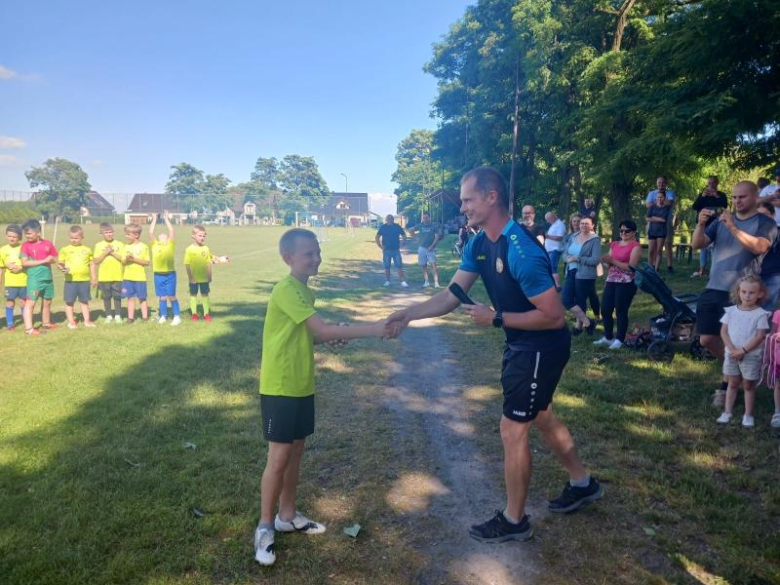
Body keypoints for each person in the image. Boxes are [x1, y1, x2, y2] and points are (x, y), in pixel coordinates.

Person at [387, 167, 603, 543]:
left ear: (492, 197)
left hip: (541, 346)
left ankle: (514, 520)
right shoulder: (478, 243)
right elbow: (451, 295)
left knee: (513, 427)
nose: (463, 206)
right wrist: (407, 315)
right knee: (542, 416)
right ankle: (582, 483)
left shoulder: (520, 249)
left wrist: (497, 318)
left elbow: (554, 317)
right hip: (522, 343)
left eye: (469, 199)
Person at [254, 228, 396, 566]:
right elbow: (321, 329)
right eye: (309, 254)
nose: (316, 258)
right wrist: (374, 328)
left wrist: (327, 339)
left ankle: (287, 516)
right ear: (288, 258)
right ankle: (264, 526)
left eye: (318, 252)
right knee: (279, 458)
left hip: (301, 384)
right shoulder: (286, 289)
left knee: (296, 451)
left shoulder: (303, 290)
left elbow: (308, 336)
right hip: (280, 386)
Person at [692, 181, 776, 407]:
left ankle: (727, 382)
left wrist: (732, 227)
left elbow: (759, 247)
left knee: (739, 338)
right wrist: (700, 225)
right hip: (714, 286)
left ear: (755, 197)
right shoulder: (720, 221)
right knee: (707, 338)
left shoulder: (765, 222)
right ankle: (734, 373)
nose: (737, 201)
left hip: (743, 292)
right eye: (735, 197)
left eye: (743, 197)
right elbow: (697, 245)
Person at [716, 275, 770, 428]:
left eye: (751, 293)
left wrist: (743, 350)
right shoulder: (731, 311)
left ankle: (748, 414)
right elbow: (724, 332)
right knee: (732, 383)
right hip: (731, 354)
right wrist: (733, 350)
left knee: (748, 384)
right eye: (744, 291)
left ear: (760, 294)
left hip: (751, 355)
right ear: (738, 292)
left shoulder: (761, 314)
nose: (747, 296)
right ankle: (727, 411)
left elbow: (760, 336)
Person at [594, 220, 642, 349]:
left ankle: (620, 339)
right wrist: (605, 261)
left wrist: (612, 261)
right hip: (611, 280)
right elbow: (609, 263)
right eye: (621, 230)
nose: (623, 233)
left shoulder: (636, 246)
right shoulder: (614, 244)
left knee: (621, 310)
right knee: (605, 309)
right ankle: (608, 337)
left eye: (627, 231)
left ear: (634, 232)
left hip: (626, 282)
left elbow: (631, 267)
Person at [563, 216, 601, 335]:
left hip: (585, 274)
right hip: (571, 271)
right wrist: (567, 258)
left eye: (586, 223)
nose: (584, 225)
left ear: (592, 225)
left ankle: (578, 327)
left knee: (580, 300)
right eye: (582, 223)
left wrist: (578, 259)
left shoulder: (595, 240)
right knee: (566, 299)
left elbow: (595, 260)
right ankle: (588, 322)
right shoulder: (573, 236)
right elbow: (565, 253)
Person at [20, 219, 58, 336]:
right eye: (26, 233)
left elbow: (55, 259)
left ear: (38, 233)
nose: (27, 236)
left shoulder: (48, 244)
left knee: (47, 302)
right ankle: (29, 329)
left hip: (48, 278)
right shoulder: (25, 246)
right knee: (30, 303)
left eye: (30, 233)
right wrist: (43, 261)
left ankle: (46, 323)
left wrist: (54, 261)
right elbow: (24, 263)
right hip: (35, 280)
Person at [184, 225, 229, 322]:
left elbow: (209, 262)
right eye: (200, 235)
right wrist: (191, 278)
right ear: (193, 236)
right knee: (193, 295)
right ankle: (194, 314)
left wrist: (209, 276)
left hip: (204, 278)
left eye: (204, 236)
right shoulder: (189, 249)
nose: (202, 238)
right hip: (194, 279)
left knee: (205, 295)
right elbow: (187, 265)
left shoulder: (206, 249)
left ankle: (206, 314)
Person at [57, 225, 96, 329]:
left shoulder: (87, 250)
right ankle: (71, 322)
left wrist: (94, 278)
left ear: (82, 237)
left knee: (84, 301)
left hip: (84, 281)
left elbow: (92, 264)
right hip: (70, 281)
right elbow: (60, 263)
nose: (73, 240)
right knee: (69, 302)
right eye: (71, 238)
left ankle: (87, 321)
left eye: (76, 238)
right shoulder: (65, 249)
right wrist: (62, 268)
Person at [691, 176, 728, 278]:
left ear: (717, 183)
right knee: (703, 248)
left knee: (714, 248)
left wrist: (716, 196)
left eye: (713, 183)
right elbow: (695, 207)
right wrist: (702, 196)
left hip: (716, 224)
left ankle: (714, 270)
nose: (711, 185)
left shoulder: (721, 195)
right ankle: (702, 270)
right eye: (709, 183)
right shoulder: (703, 195)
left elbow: (724, 207)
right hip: (703, 224)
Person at [149, 212, 182, 325]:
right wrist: (154, 218)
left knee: (171, 296)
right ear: (158, 239)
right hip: (158, 275)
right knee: (162, 297)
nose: (162, 234)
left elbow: (172, 231)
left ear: (167, 238)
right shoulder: (155, 245)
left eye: (165, 235)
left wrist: (166, 218)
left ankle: (177, 316)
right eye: (160, 235)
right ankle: (163, 316)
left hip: (170, 274)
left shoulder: (170, 245)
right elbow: (150, 232)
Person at [93, 223, 125, 323]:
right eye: (106, 232)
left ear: (113, 232)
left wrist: (112, 253)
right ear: (101, 233)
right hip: (104, 276)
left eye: (110, 232)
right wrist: (105, 252)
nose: (109, 234)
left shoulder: (120, 244)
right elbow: (96, 261)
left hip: (117, 276)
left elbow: (123, 259)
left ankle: (118, 315)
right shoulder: (98, 245)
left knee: (117, 296)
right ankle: (108, 315)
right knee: (106, 297)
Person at [646, 176, 676, 272]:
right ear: (656, 183)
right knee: (652, 247)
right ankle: (653, 266)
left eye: (663, 182)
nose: (661, 184)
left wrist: (655, 204)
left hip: (666, 223)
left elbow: (669, 203)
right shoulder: (651, 193)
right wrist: (660, 203)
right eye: (659, 182)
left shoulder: (670, 192)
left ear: (666, 183)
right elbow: (648, 205)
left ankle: (669, 265)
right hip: (653, 226)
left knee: (667, 243)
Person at [121, 224, 150, 323]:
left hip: (140, 278)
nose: (126, 236)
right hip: (128, 277)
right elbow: (123, 262)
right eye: (126, 234)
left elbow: (146, 262)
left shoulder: (144, 247)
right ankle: (130, 318)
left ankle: (145, 317)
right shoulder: (126, 247)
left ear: (136, 235)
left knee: (142, 298)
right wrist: (127, 259)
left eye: (128, 234)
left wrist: (134, 259)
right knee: (130, 298)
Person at [1, 224, 27, 330]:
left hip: (23, 281)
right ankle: (10, 324)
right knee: (10, 302)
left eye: (14, 236)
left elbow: (28, 263)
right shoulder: (2, 250)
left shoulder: (24, 248)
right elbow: (1, 267)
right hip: (10, 282)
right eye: (9, 236)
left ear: (19, 237)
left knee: (23, 302)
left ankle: (26, 322)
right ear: (6, 236)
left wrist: (20, 267)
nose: (11, 238)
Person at [408, 212, 443, 288]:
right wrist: (415, 237)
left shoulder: (434, 225)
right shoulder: (420, 225)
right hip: (422, 248)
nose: (425, 219)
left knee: (433, 265)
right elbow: (410, 230)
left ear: (429, 218)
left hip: (431, 248)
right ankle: (426, 282)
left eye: (426, 217)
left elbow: (437, 237)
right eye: (424, 217)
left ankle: (436, 283)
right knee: (423, 265)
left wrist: (432, 246)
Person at [375, 214, 408, 288]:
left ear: (393, 219)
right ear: (386, 219)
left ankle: (402, 281)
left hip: (396, 249)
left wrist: (403, 243)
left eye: (391, 218)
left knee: (399, 266)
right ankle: (387, 281)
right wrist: (379, 245)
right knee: (387, 266)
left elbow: (403, 235)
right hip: (386, 250)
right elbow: (377, 237)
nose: (390, 219)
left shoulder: (397, 226)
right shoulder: (383, 227)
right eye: (388, 218)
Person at [544, 211, 566, 288]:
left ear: (552, 217)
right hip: (550, 250)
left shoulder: (560, 225)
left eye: (548, 219)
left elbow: (560, 238)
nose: (547, 221)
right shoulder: (554, 225)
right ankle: (553, 284)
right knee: (550, 267)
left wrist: (547, 236)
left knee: (553, 267)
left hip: (555, 250)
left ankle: (557, 285)